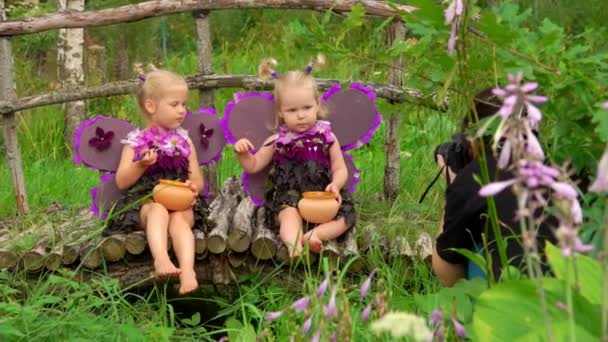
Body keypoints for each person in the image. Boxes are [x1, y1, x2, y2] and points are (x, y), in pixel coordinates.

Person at [232, 56, 355, 258]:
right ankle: (294, 245)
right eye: (292, 110)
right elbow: (253, 166)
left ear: (317, 105)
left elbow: (339, 168)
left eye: (306, 108)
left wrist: (336, 184)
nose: (301, 115)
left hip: (322, 196)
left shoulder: (327, 137)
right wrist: (243, 153)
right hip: (290, 197)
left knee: (347, 216)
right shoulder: (278, 140)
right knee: (288, 216)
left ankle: (315, 235)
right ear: (281, 112)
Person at [432, 88, 556, 286]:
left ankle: (477, 309)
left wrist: (455, 184)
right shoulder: (560, 166)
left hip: (519, 304)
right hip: (581, 292)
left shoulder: (476, 175)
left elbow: (447, 267)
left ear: (473, 136)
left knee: (473, 242)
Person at [109, 65, 211, 295]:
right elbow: (122, 182)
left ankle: (187, 270)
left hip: (180, 203)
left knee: (179, 221)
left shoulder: (184, 142)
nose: (182, 110)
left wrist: (192, 187)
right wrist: (141, 164)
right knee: (158, 211)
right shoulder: (136, 142)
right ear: (151, 106)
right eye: (174, 104)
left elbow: (198, 181)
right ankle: (161, 260)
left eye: (184, 104)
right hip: (147, 203)